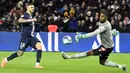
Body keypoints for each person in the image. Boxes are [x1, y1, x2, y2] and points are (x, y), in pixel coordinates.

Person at [61, 9, 127, 72]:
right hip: (106, 46)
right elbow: (107, 33)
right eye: (100, 16)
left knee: (88, 53)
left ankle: (67, 57)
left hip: (106, 48)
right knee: (102, 62)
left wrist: (82, 36)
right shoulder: (102, 22)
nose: (101, 18)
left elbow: (94, 33)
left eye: (103, 16)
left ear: (106, 17)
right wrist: (113, 32)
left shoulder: (106, 25)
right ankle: (120, 66)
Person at [1, 3, 43, 68]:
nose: (33, 9)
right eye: (31, 7)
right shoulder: (25, 15)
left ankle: (37, 65)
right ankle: (6, 60)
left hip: (31, 37)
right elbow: (20, 20)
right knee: (19, 53)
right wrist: (31, 20)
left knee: (39, 46)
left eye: (33, 7)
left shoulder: (31, 15)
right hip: (25, 37)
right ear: (28, 7)